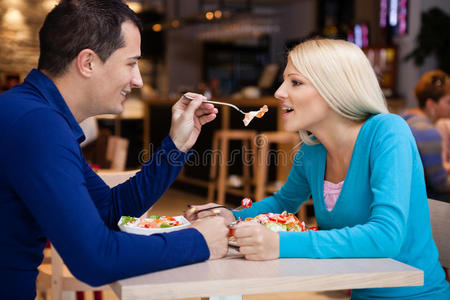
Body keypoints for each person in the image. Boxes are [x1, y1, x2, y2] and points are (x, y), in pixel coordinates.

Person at [186, 39, 450, 299]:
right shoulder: (313, 149)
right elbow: (282, 202)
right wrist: (230, 217)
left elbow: (387, 235)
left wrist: (280, 245)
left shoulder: (388, 132)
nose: (279, 92)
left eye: (296, 82)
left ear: (335, 89)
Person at [0, 1, 229, 298]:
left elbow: (110, 212)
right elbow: (96, 259)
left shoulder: (32, 113)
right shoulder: (38, 124)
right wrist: (199, 241)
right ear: (88, 63)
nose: (138, 80)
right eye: (131, 63)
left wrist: (176, 146)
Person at [402, 70, 450, 202]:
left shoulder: (405, 116)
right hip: (421, 201)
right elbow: (441, 184)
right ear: (430, 104)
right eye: (448, 102)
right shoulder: (428, 132)